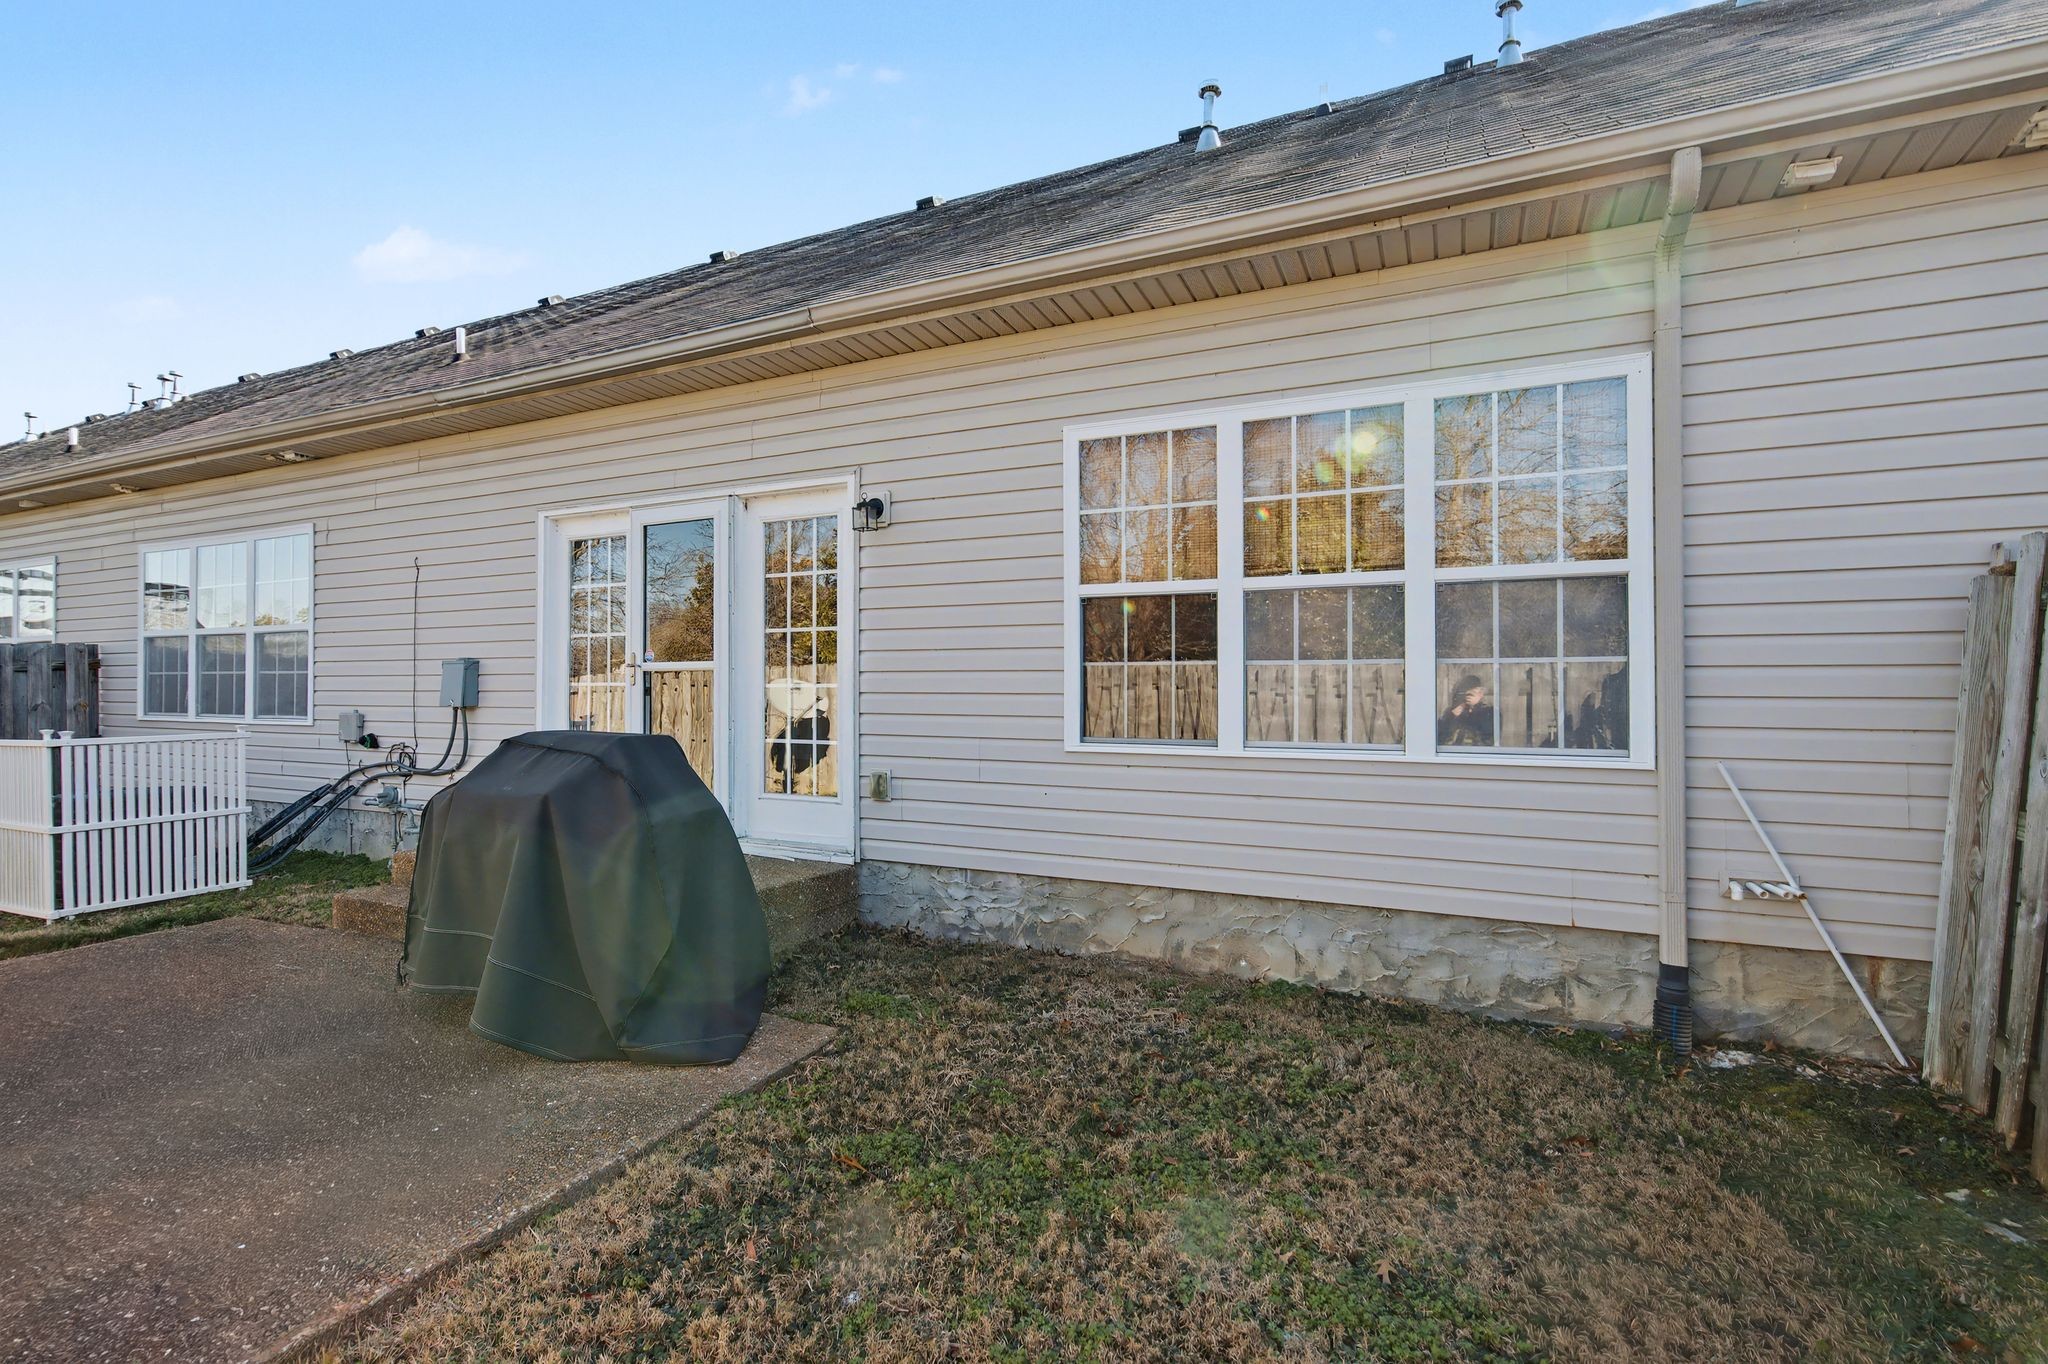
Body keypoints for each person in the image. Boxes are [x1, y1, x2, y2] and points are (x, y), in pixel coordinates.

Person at [1437, 673, 1494, 747]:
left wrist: (1476, 707)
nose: (1469, 696)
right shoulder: (1452, 712)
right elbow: (1438, 737)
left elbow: (1487, 738)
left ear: (1481, 694)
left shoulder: (1489, 712)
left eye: (1473, 692)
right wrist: (1451, 716)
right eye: (1466, 693)